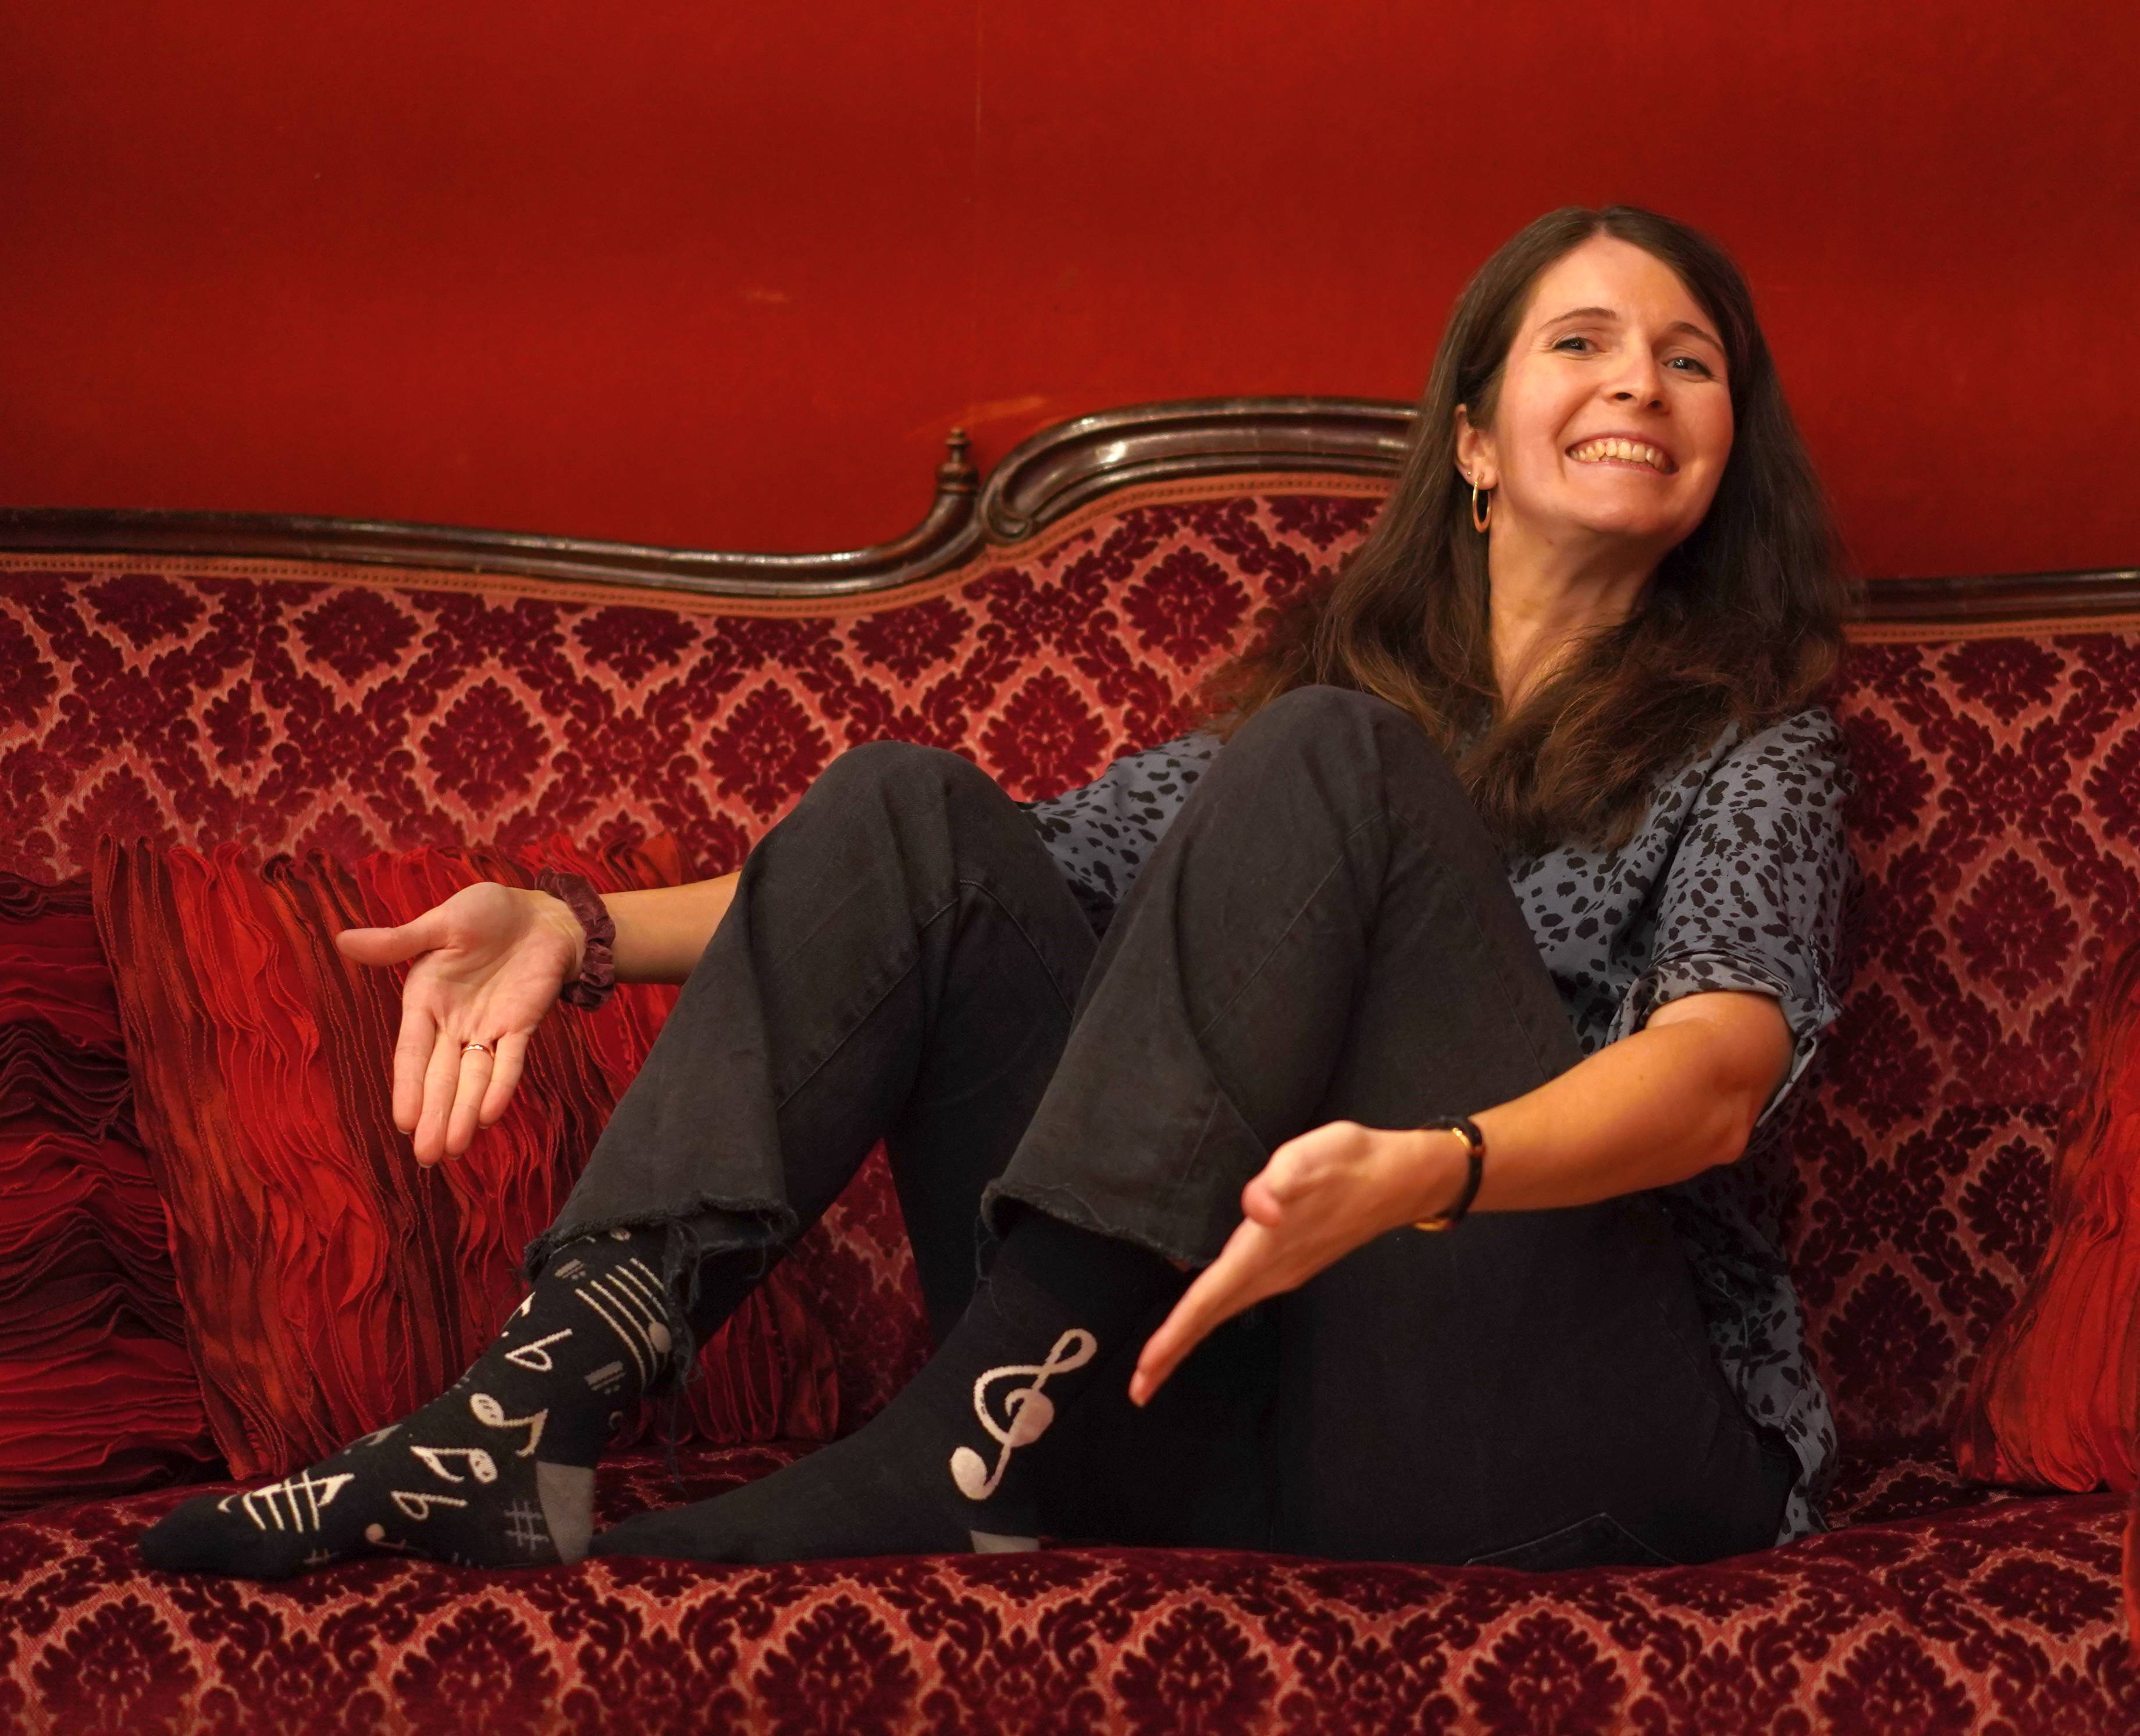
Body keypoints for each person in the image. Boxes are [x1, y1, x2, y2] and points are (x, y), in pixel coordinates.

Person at [140, 203, 1854, 1581]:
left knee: (1337, 751)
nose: (1640, 385)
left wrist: (1435, 1165)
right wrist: (573, 929)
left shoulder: (1752, 742)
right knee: (914, 813)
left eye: (1689, 362)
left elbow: (1713, 1079)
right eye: (1583, 342)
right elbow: (966, 880)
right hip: (1263, 1411)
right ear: (1473, 441)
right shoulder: (1327, 743)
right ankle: (532, 1408)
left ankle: (970, 1433)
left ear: (1725, 449)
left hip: (1566, 1428)